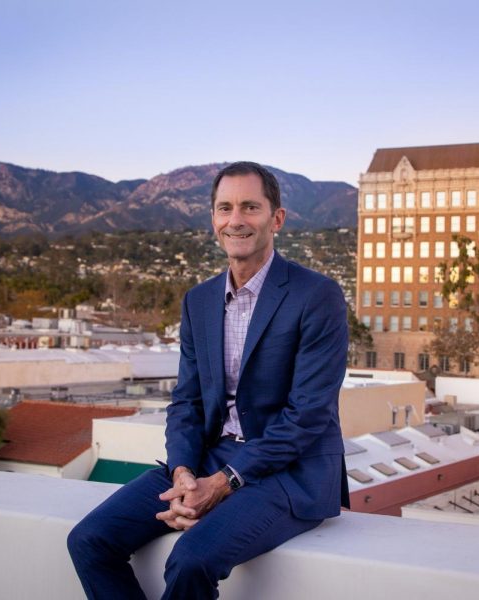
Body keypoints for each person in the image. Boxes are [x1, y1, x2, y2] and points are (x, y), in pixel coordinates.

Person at [67, 161, 349, 599]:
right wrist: (182, 473)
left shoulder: (317, 295)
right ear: (213, 219)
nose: (236, 220)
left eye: (250, 207)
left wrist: (222, 483)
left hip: (290, 472)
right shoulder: (198, 301)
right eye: (225, 208)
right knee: (89, 540)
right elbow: (187, 402)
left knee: (191, 559)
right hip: (208, 459)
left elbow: (307, 416)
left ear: (277, 219)